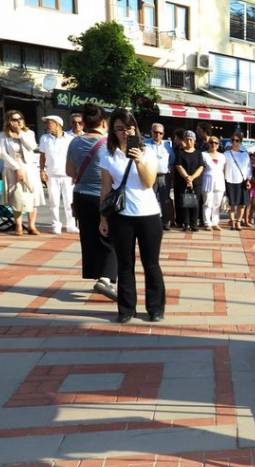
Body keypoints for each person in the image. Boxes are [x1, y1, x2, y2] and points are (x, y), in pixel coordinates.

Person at [99, 109, 165, 324]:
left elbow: (148, 182)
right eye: (119, 129)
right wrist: (103, 218)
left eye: (128, 128)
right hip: (121, 216)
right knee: (125, 264)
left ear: (135, 128)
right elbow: (106, 189)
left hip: (148, 214)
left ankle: (155, 308)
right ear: (113, 131)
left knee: (151, 264)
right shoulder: (108, 155)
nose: (125, 133)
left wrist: (138, 160)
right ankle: (126, 309)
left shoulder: (148, 152)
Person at [66, 104, 116, 301]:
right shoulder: (108, 144)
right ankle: (105, 279)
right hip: (103, 196)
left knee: (89, 239)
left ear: (84, 123)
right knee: (111, 238)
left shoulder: (74, 143)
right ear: (104, 122)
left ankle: (99, 275)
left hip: (81, 195)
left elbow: (70, 172)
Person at [0, 110, 43, 236]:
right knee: (17, 197)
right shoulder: (4, 135)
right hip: (13, 167)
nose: (18, 121)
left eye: (20, 119)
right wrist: (16, 168)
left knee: (32, 196)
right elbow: (3, 153)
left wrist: (20, 133)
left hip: (29, 167)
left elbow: (32, 146)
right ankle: (18, 225)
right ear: (9, 121)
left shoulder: (29, 133)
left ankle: (32, 225)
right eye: (14, 119)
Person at [39, 115, 78, 235]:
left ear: (58, 124)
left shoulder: (70, 138)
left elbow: (74, 156)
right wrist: (42, 170)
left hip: (67, 174)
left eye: (49, 123)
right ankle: (56, 224)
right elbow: (42, 156)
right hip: (52, 174)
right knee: (54, 201)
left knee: (69, 201)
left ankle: (71, 225)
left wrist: (75, 172)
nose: (47, 125)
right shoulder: (44, 138)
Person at [173, 130, 205, 232]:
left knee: (195, 203)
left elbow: (201, 167)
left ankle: (194, 224)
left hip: (196, 182)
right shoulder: (180, 153)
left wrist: (192, 178)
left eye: (191, 139)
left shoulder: (198, 153)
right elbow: (178, 166)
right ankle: (186, 224)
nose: (189, 141)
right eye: (187, 139)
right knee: (185, 203)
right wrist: (187, 177)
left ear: (194, 141)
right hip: (183, 182)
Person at [224, 132, 252, 230]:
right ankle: (233, 223)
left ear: (240, 141)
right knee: (232, 204)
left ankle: (239, 222)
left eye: (237, 140)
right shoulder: (226, 154)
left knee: (242, 204)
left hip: (242, 181)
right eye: (233, 140)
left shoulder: (245, 154)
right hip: (230, 180)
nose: (235, 142)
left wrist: (248, 180)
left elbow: (248, 168)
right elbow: (222, 168)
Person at [147, 122, 173, 226]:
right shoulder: (145, 145)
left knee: (165, 200)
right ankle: (150, 221)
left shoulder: (167, 146)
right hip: (150, 175)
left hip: (163, 176)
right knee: (150, 198)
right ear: (151, 132)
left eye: (160, 133)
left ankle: (165, 222)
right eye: (155, 132)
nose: (157, 134)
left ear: (163, 134)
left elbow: (171, 160)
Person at [201, 135, 227, 230]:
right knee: (207, 203)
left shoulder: (222, 156)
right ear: (208, 143)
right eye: (211, 142)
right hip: (207, 181)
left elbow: (223, 170)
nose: (213, 144)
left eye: (216, 143)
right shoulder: (203, 154)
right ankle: (207, 222)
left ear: (218, 145)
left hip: (219, 181)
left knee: (217, 204)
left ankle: (215, 222)